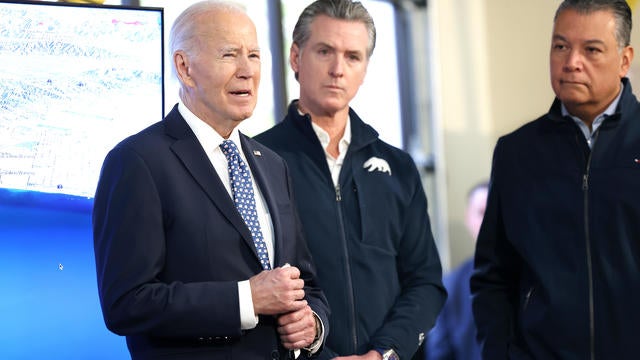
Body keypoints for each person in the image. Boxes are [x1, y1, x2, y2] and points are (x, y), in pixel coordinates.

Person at [92, 2, 329, 359]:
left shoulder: (273, 165)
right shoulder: (137, 162)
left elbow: (304, 282)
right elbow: (127, 302)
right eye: (229, 55)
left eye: (254, 55)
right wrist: (245, 299)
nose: (247, 70)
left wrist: (312, 323)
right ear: (184, 68)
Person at [254, 1, 446, 359]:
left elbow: (425, 283)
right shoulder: (259, 161)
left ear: (365, 68)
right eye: (324, 51)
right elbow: (257, 286)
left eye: (353, 56)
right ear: (296, 57)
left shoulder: (399, 167)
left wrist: (384, 353)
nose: (338, 69)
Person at [470, 0, 640, 359]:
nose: (571, 62)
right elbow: (493, 276)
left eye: (591, 49)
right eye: (561, 46)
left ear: (625, 60)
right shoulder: (517, 153)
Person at [425, 181, 488, 360]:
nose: (488, 221)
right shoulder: (451, 286)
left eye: (495, 213)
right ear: (468, 218)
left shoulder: (531, 280)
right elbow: (439, 353)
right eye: (482, 213)